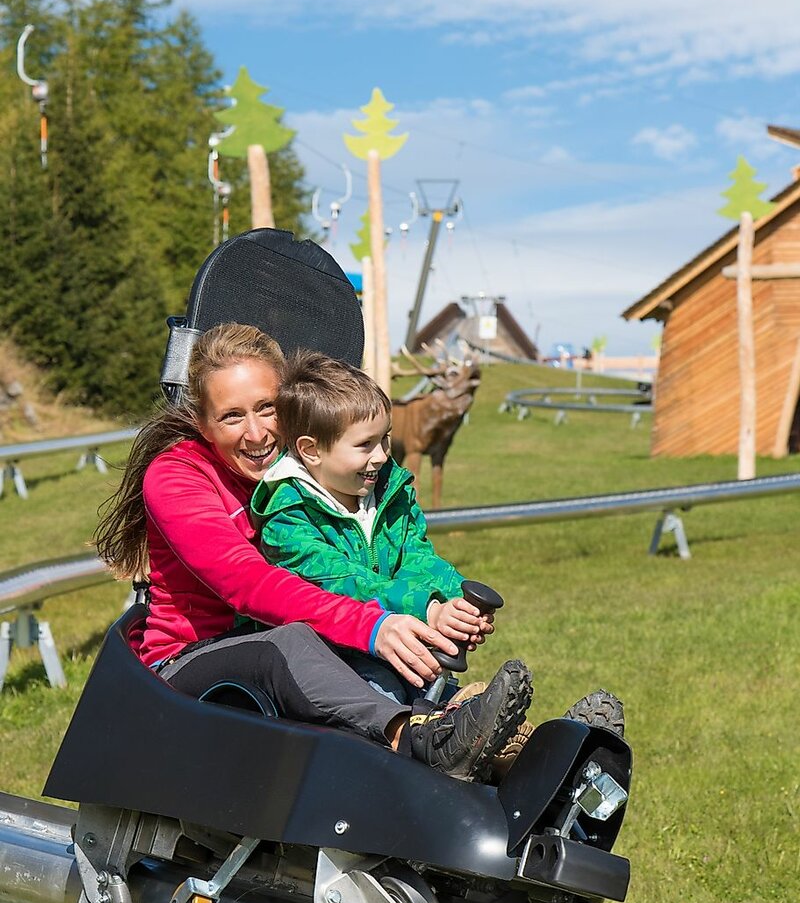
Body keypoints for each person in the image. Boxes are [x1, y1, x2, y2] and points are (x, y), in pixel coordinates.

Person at [95, 322, 532, 783]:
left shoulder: (305, 469)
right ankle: (415, 737)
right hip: (191, 660)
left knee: (325, 644)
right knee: (287, 644)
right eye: (231, 417)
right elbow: (249, 584)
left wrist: (438, 603)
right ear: (203, 424)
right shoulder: (177, 477)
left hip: (290, 641)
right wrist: (374, 625)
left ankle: (514, 745)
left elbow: (374, 554)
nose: (257, 433)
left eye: (267, 408)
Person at [249, 350, 625, 762]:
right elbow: (342, 581)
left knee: (429, 688)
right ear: (312, 450)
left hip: (403, 646)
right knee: (386, 695)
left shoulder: (386, 488)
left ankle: (542, 757)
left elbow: (417, 555)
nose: (380, 456)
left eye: (384, 439)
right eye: (364, 445)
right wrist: (426, 610)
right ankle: (477, 746)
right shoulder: (287, 516)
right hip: (337, 657)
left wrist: (455, 599)